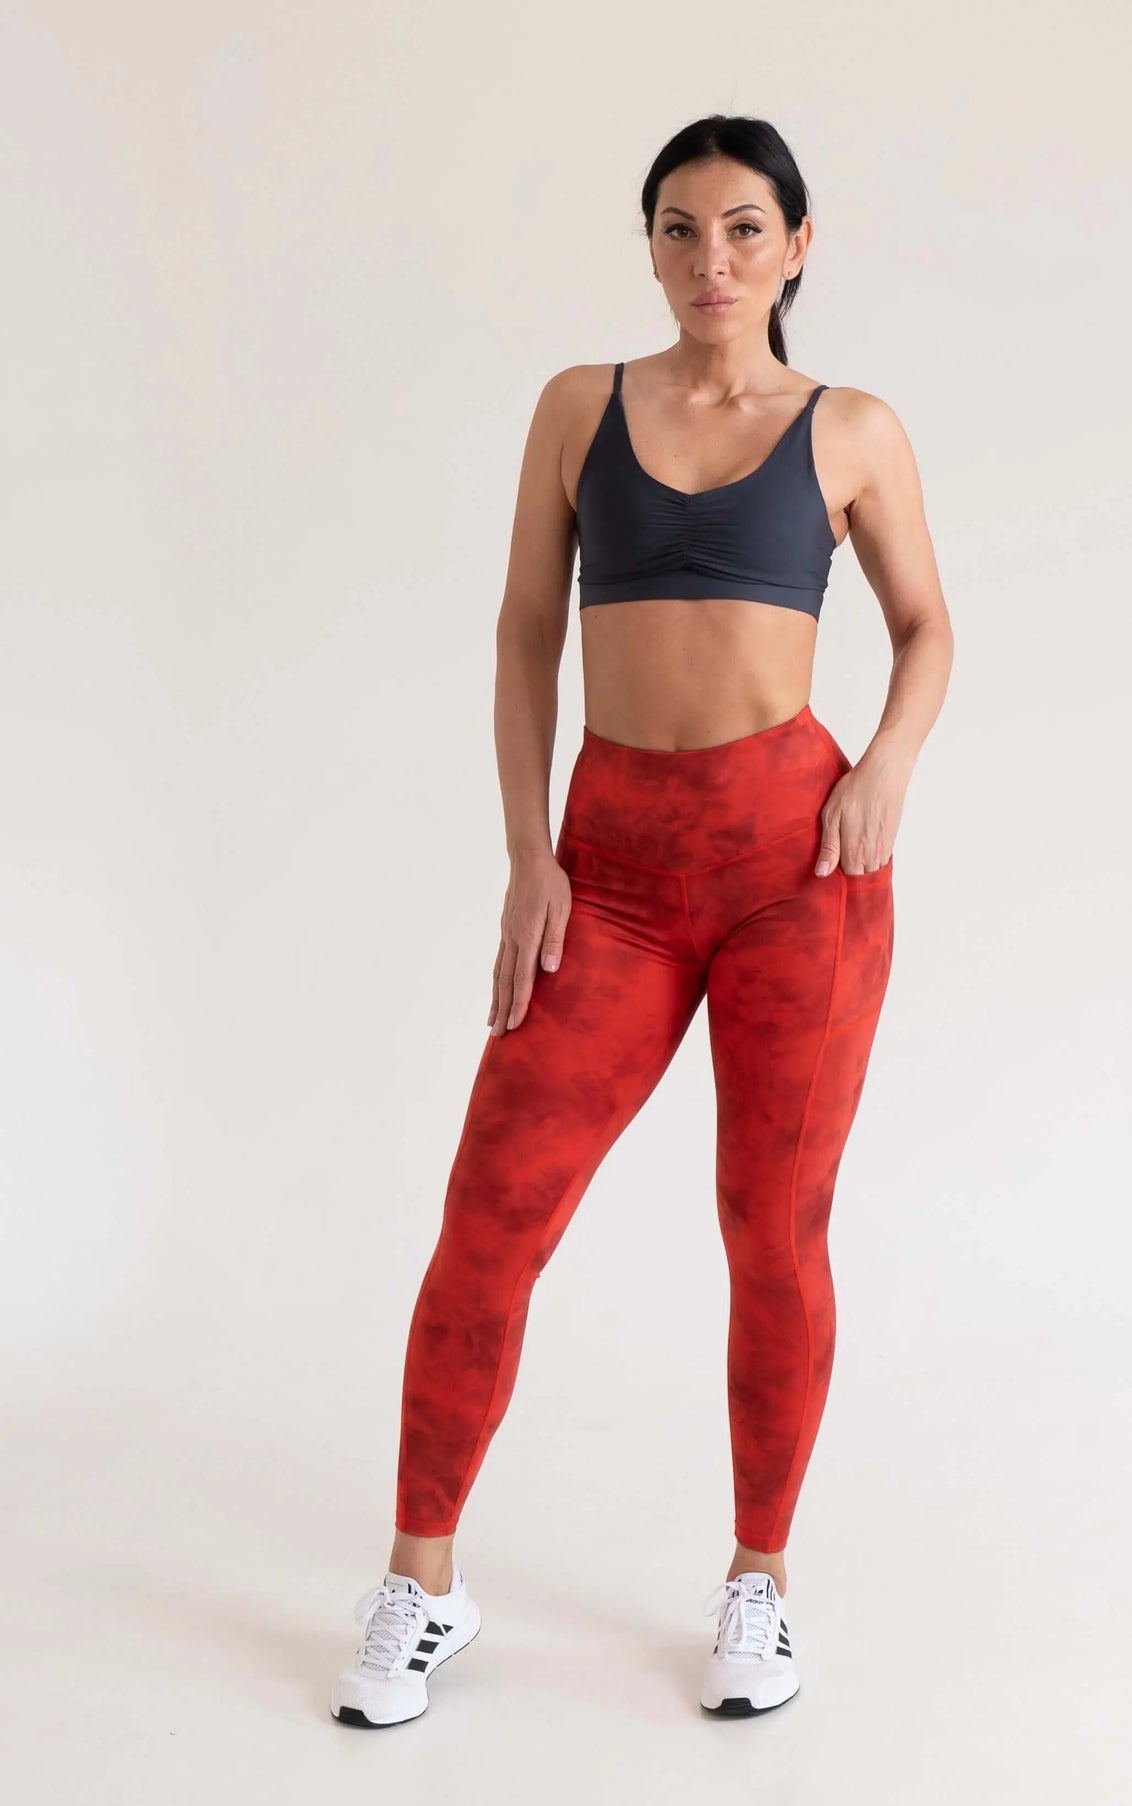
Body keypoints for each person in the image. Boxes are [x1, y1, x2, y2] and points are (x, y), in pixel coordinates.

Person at [331, 111, 953, 1728]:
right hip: (604, 870)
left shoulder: (850, 428)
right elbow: (523, 634)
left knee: (771, 1225)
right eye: (678, 228)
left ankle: (760, 1577)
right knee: (492, 1211)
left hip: (794, 869)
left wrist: (885, 762)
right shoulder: (577, 407)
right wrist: (525, 853)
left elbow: (926, 629)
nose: (709, 259)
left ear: (796, 246)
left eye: (743, 228)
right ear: (651, 247)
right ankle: (421, 1578)